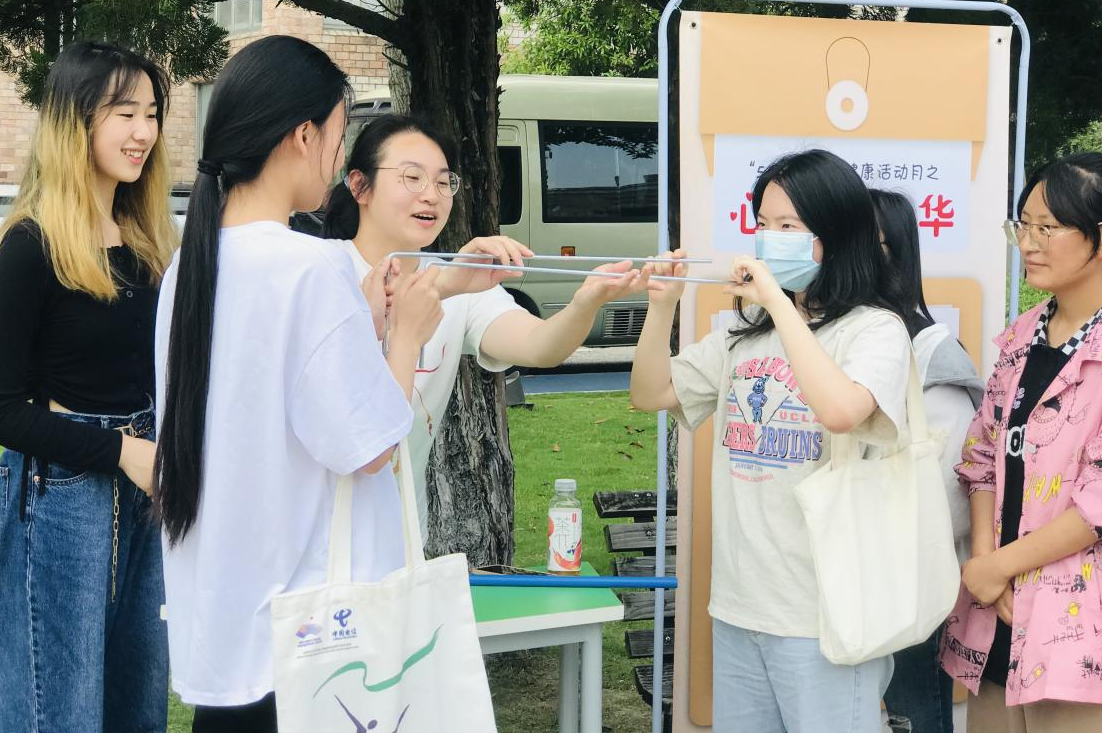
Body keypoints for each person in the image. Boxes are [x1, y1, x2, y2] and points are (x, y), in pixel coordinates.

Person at [154, 37, 444, 731]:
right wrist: (405, 336)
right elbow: (368, 448)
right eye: (338, 137)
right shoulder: (310, 268)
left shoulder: (188, 270)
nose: (337, 161)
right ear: (303, 135)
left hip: (228, 633)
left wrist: (362, 329)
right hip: (314, 648)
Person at [630, 149, 912, 733]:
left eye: (788, 226)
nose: (768, 239)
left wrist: (779, 305)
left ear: (836, 235)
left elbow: (841, 411)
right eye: (762, 223)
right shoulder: (743, 334)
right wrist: (661, 308)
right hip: (740, 606)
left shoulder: (875, 329)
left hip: (824, 615)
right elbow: (652, 392)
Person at [0, 41, 177, 732]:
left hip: (147, 489)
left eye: (151, 113)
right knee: (58, 715)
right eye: (124, 113)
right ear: (76, 121)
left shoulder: (149, 243)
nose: (143, 132)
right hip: (59, 500)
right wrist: (120, 451)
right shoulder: (33, 244)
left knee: (137, 709)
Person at [320, 114, 650, 538]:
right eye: (412, 177)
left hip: (400, 541)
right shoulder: (321, 272)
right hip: (316, 543)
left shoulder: (462, 281)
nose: (431, 195)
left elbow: (540, 346)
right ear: (359, 186)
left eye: (444, 182)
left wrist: (586, 301)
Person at [940, 152, 1102, 732]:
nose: (1028, 243)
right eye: (1023, 225)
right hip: (998, 614)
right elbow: (982, 459)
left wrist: (999, 567)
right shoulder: (1022, 336)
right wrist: (985, 567)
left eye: (1048, 228)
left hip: (1082, 629)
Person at [870, 189, 984, 733]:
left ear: (891, 253)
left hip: (908, 580)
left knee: (913, 714)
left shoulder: (930, 355)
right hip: (849, 573)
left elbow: (952, 500)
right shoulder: (835, 336)